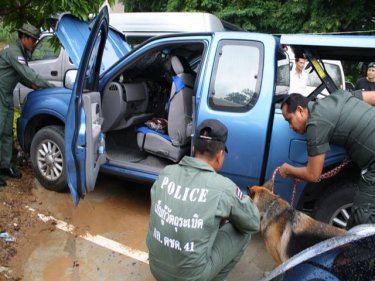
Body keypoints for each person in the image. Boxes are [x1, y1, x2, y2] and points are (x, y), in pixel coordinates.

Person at [146, 119, 260, 281]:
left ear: (193, 149)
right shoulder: (223, 188)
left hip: (156, 270)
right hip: (192, 278)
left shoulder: (166, 173)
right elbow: (253, 223)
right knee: (243, 233)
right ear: (220, 156)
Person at [279, 90, 375, 229]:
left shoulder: (315, 125)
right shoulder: (337, 96)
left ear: (300, 110)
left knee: (363, 219)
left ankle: (363, 249)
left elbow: (313, 175)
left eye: (289, 119)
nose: (290, 126)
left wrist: (288, 170)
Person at [0, 23, 54, 187]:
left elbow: (22, 76)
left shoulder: (21, 52)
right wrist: (50, 87)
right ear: (24, 38)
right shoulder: (14, 52)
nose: (35, 43)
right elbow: (28, 73)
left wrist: (33, 85)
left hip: (6, 96)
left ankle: (5, 166)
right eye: (34, 40)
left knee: (7, 133)